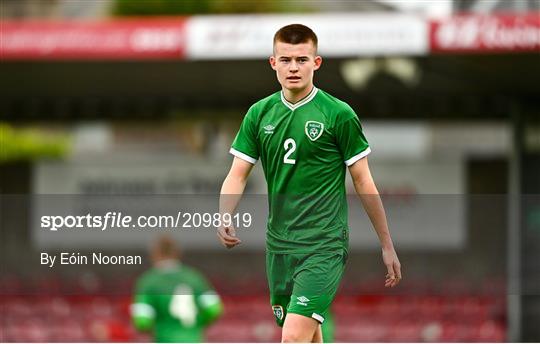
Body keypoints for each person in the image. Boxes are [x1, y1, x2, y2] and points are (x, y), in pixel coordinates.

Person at [218, 24, 401, 342]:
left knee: (292, 337)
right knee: (309, 336)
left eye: (301, 59)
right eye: (286, 60)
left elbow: (363, 181)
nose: (293, 68)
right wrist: (224, 214)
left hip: (323, 245)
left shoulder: (338, 114)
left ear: (316, 63)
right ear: (273, 63)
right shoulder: (259, 114)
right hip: (279, 246)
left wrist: (386, 244)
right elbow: (237, 173)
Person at [131, 236, 223, 342]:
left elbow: (142, 322)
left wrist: (160, 328)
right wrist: (197, 325)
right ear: (177, 252)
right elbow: (214, 309)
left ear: (154, 253)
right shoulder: (195, 277)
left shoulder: (148, 282)